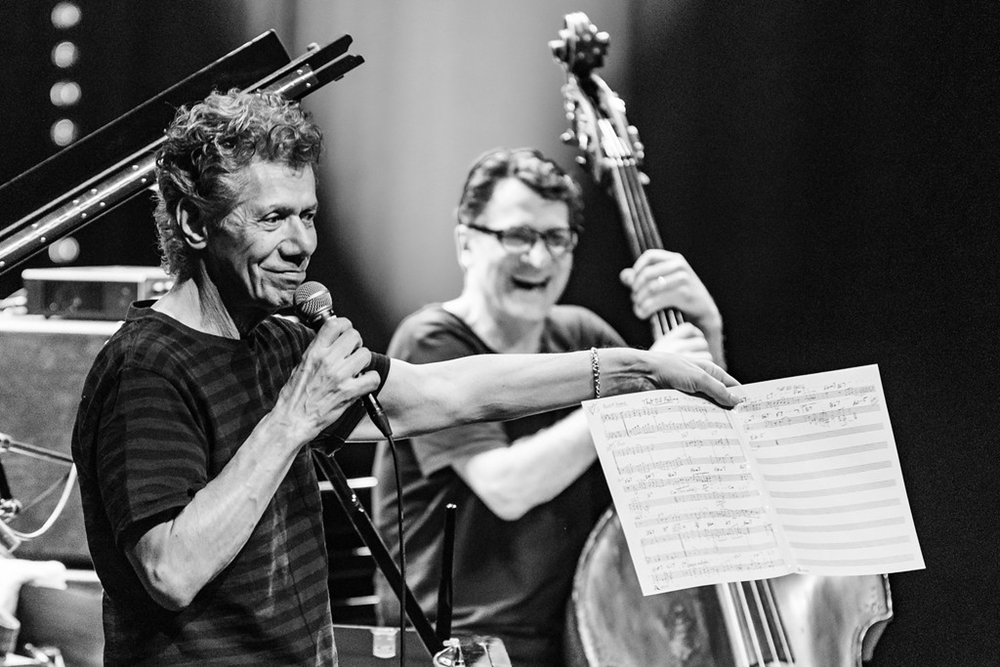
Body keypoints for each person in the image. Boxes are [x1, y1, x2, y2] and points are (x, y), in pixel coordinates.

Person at [70, 93, 738, 666]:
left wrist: (638, 368)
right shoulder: (147, 366)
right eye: (273, 217)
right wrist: (292, 420)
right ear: (193, 223)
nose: (301, 243)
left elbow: (449, 393)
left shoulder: (276, 338)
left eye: (307, 215)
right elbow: (169, 569)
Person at [371, 147, 726, 666]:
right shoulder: (431, 343)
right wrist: (628, 384)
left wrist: (707, 329)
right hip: (465, 645)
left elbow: (693, 460)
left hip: (581, 625)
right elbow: (507, 488)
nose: (539, 258)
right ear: (466, 242)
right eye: (517, 235)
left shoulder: (581, 334)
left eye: (556, 239)